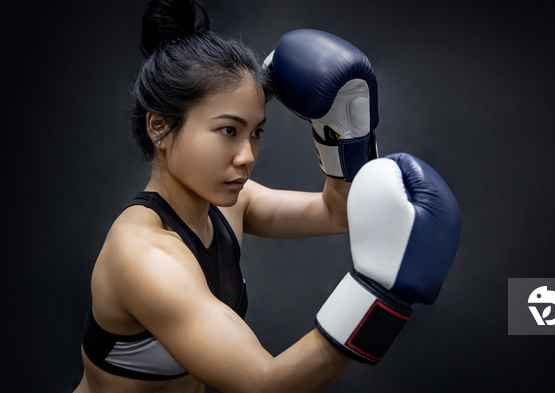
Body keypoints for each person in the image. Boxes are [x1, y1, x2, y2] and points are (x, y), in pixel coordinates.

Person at [74, 1, 461, 392]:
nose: (247, 156)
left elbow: (337, 212)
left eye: (256, 132)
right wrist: (379, 299)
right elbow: (265, 385)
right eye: (228, 130)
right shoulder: (143, 256)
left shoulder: (230, 206)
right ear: (160, 128)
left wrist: (344, 134)